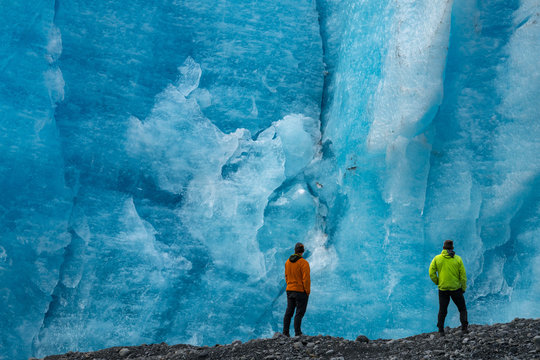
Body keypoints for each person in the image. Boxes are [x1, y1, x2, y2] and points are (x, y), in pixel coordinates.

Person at [429, 240, 468, 336]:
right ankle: (464, 328)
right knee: (462, 308)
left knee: (442, 310)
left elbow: (431, 273)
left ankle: (441, 330)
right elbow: (462, 276)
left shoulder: (437, 259)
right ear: (452, 248)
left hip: (443, 289)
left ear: (443, 248)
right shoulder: (458, 259)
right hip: (455, 289)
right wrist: (463, 288)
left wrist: (437, 281)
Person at [283, 242, 310, 337]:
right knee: (299, 312)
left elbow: (286, 276)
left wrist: (290, 285)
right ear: (302, 252)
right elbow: (306, 279)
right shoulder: (304, 263)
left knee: (289, 311)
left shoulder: (287, 262)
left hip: (290, 290)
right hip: (300, 291)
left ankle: (285, 333)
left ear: (295, 251)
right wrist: (307, 291)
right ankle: (297, 333)